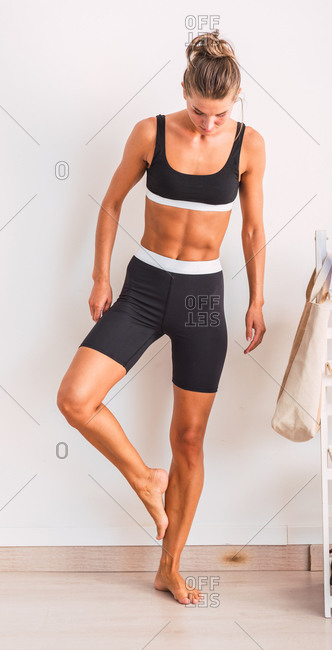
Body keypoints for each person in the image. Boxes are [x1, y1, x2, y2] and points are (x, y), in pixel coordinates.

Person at [56, 29, 266, 606]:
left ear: (238, 98)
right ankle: (146, 479)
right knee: (75, 398)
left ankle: (170, 567)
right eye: (198, 111)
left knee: (190, 439)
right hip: (145, 287)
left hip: (202, 296)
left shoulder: (250, 145)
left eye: (218, 114)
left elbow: (251, 228)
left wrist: (257, 297)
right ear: (183, 91)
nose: (206, 124)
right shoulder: (149, 132)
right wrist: (100, 277)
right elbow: (110, 202)